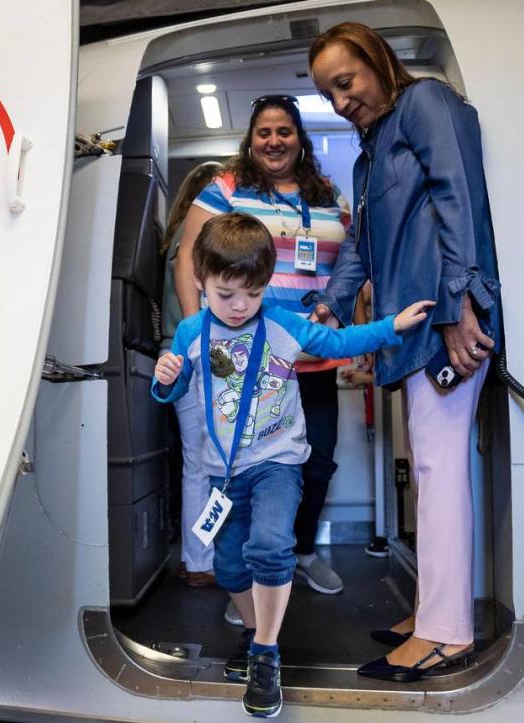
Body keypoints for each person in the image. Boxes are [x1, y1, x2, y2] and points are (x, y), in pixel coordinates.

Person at [151, 212, 432, 718]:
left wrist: (392, 326)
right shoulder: (191, 332)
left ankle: (264, 653)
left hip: (279, 462)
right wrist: (166, 375)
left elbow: (339, 343)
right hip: (225, 471)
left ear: (265, 285)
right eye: (225, 294)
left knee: (271, 546)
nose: (240, 307)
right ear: (200, 281)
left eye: (252, 294)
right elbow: (170, 390)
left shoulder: (280, 324)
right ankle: (258, 639)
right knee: (229, 564)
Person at [308, 22, 503, 682]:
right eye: (328, 94)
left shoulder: (425, 105)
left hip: (443, 318)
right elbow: (362, 249)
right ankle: (432, 613)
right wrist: (332, 304)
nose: (340, 101)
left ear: (376, 61)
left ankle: (447, 631)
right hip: (411, 328)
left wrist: (461, 304)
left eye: (346, 82)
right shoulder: (370, 154)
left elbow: (460, 196)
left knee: (440, 468)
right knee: (430, 467)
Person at [174, 95, 354, 602]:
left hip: (309, 353)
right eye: (264, 133)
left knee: (315, 460)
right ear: (250, 141)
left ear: (300, 138)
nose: (274, 141)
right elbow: (189, 259)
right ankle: (248, 576)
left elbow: (349, 264)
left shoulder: (329, 195)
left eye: (284, 131)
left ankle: (298, 553)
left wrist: (339, 311)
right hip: (241, 358)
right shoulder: (226, 188)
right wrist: (199, 337)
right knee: (246, 468)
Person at [160, 160, 224, 587]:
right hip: (199, 357)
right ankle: (205, 560)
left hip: (173, 355)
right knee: (210, 462)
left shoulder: (171, 240)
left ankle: (198, 558)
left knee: (195, 462)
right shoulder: (203, 242)